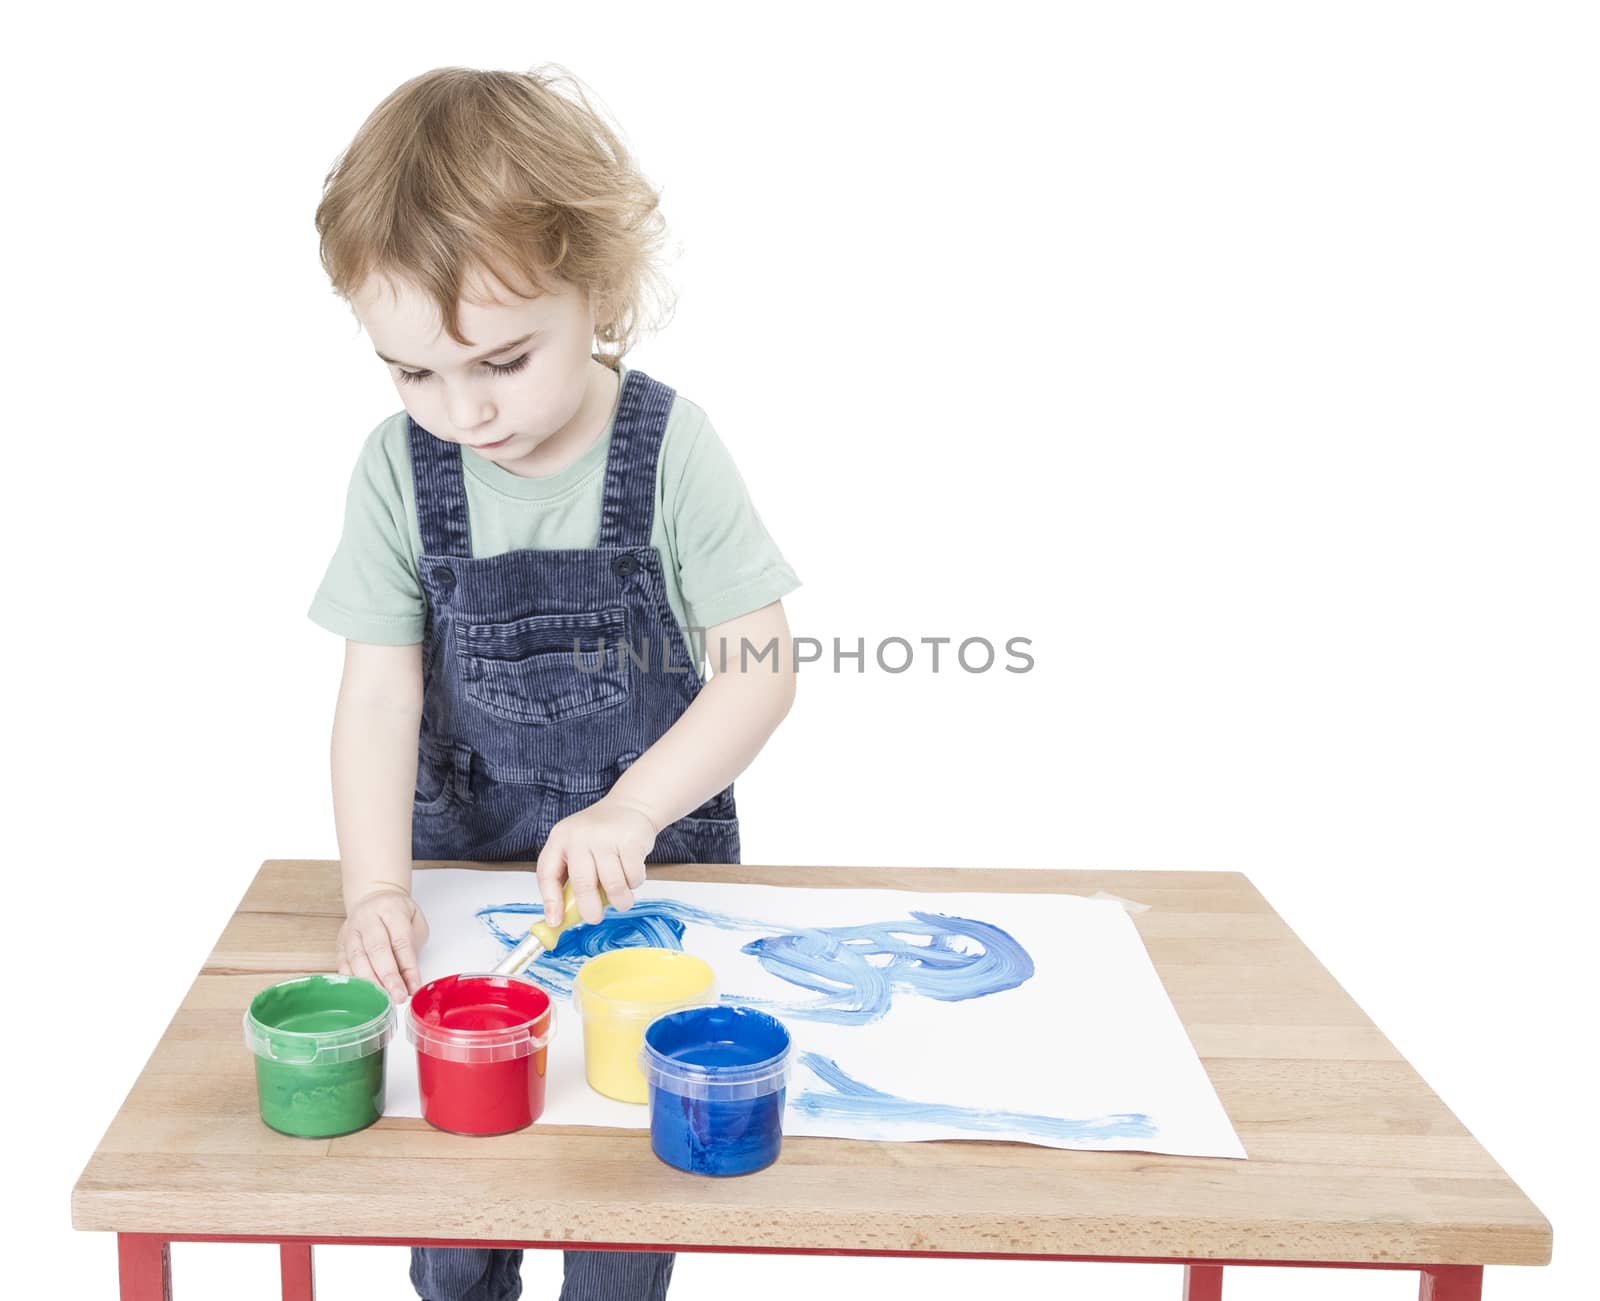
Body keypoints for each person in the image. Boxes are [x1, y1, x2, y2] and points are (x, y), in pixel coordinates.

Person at [306, 64, 801, 1301]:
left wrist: (631, 805)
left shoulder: (671, 447)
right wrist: (373, 883)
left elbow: (759, 665)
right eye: (414, 373)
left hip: (651, 881)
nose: (463, 410)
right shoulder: (396, 471)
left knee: (620, 1181)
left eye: (503, 359)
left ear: (601, 288)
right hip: (467, 879)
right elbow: (378, 695)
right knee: (460, 1194)